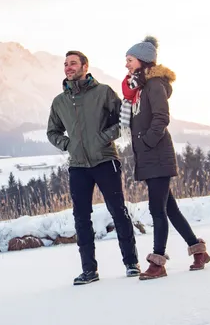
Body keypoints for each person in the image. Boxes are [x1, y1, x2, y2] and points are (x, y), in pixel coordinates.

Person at [47, 50, 140, 285]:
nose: (68, 67)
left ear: (85, 67)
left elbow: (123, 118)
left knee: (118, 211)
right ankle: (89, 270)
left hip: (105, 159)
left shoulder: (103, 92)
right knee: (81, 217)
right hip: (78, 166)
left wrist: (103, 138)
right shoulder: (60, 101)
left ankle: (131, 263)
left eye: (73, 63)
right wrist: (68, 145)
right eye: (66, 64)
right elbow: (52, 132)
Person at [122, 36, 210, 281]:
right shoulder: (140, 89)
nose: (126, 65)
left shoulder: (154, 85)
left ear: (142, 60)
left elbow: (162, 117)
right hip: (150, 157)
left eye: (129, 60)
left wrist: (148, 142)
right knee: (168, 208)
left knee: (157, 210)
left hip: (157, 154)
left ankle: (158, 262)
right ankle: (198, 250)